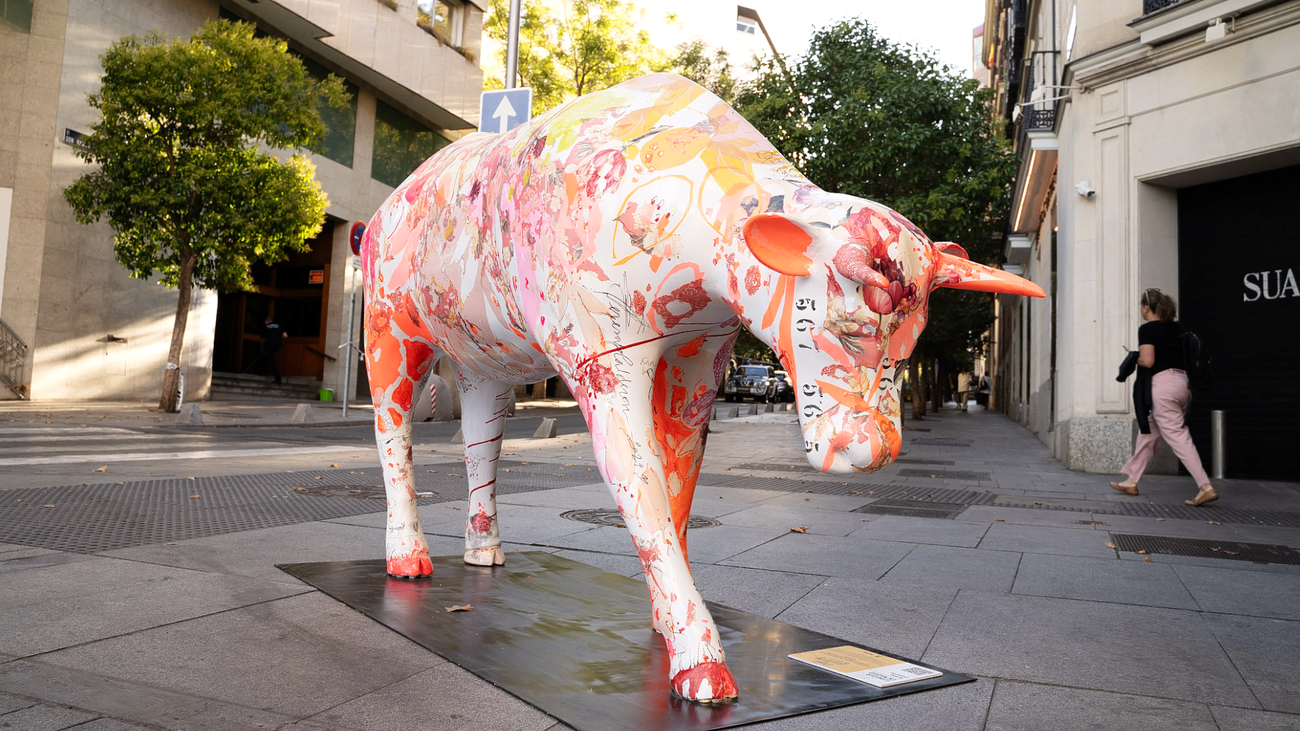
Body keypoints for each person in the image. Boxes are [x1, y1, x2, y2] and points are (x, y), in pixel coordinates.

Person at [1111, 289, 1217, 507]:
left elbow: (1149, 361)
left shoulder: (1147, 329)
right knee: (1148, 431)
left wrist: (1133, 356)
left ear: (1147, 308)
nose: (1141, 310)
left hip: (1163, 387)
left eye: (1141, 306)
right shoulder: (1178, 328)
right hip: (1183, 385)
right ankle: (1131, 480)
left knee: (1177, 434)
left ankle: (1205, 485)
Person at [247, 315, 286, 384]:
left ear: (266, 322)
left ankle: (278, 378)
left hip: (270, 345)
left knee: (272, 361)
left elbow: (261, 339)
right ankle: (261, 372)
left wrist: (262, 348)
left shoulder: (266, 327)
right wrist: (278, 340)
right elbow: (285, 335)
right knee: (268, 358)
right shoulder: (279, 326)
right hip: (278, 345)